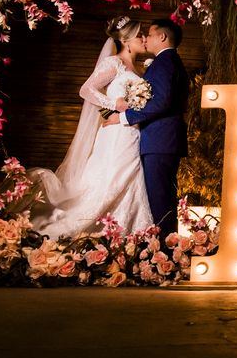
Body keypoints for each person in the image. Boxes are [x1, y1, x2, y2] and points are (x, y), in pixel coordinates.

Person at [29, 17, 155, 241]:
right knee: (112, 178)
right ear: (125, 41)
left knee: (130, 177)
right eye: (139, 35)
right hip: (117, 135)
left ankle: (126, 233)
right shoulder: (113, 63)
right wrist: (113, 105)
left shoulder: (136, 68)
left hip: (131, 132)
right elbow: (87, 90)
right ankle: (81, 228)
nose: (144, 38)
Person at [103, 18, 189, 236]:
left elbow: (160, 102)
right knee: (162, 198)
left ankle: (168, 251)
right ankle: (166, 247)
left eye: (148, 35)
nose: (145, 38)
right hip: (164, 140)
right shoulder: (169, 61)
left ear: (162, 37)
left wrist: (122, 118)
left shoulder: (164, 62)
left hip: (161, 140)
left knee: (161, 200)